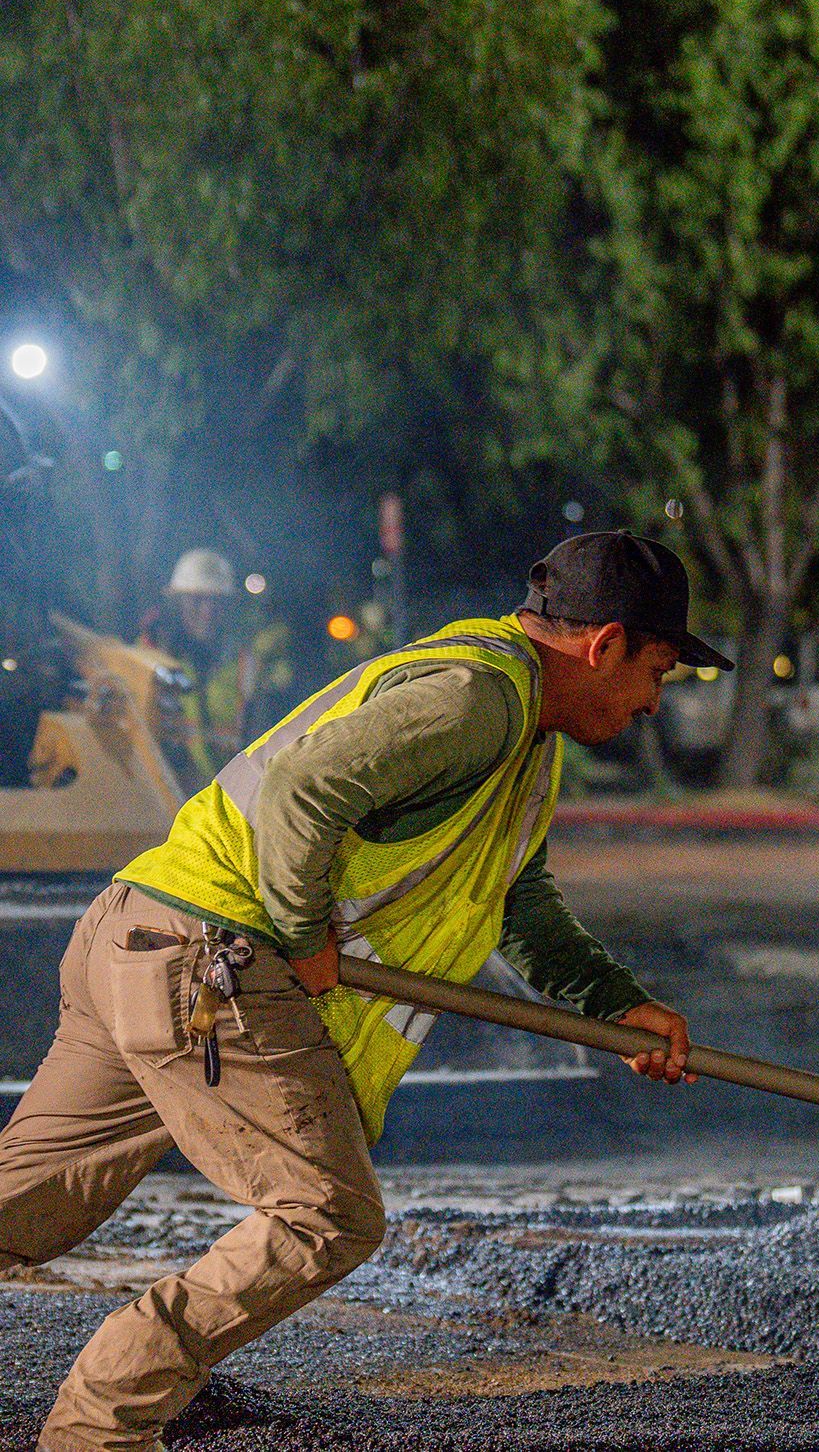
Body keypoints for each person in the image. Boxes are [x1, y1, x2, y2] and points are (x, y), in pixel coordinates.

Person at [0, 529, 732, 1452]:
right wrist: (302, 934)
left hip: (138, 932)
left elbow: (518, 898)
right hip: (207, 959)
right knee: (325, 1214)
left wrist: (611, 1002)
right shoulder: (478, 699)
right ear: (604, 644)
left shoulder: (521, 739)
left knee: (25, 1201)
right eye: (655, 671)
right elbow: (307, 789)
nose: (652, 702)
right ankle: (97, 1432)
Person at [139, 548, 294, 790]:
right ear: (177, 603)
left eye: (216, 602)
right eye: (197, 600)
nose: (207, 611)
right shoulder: (151, 662)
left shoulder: (249, 665)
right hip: (164, 803)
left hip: (232, 802)